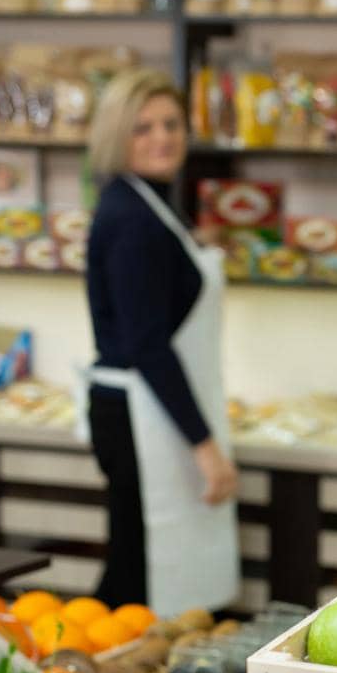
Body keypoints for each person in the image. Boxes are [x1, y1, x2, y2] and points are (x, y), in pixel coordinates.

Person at [80, 68, 239, 617]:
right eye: (142, 128)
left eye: (171, 124)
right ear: (116, 137)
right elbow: (148, 343)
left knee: (139, 558)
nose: (161, 138)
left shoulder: (144, 203)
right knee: (135, 570)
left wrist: (194, 248)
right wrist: (207, 448)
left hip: (137, 406)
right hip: (138, 415)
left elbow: (154, 293)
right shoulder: (133, 219)